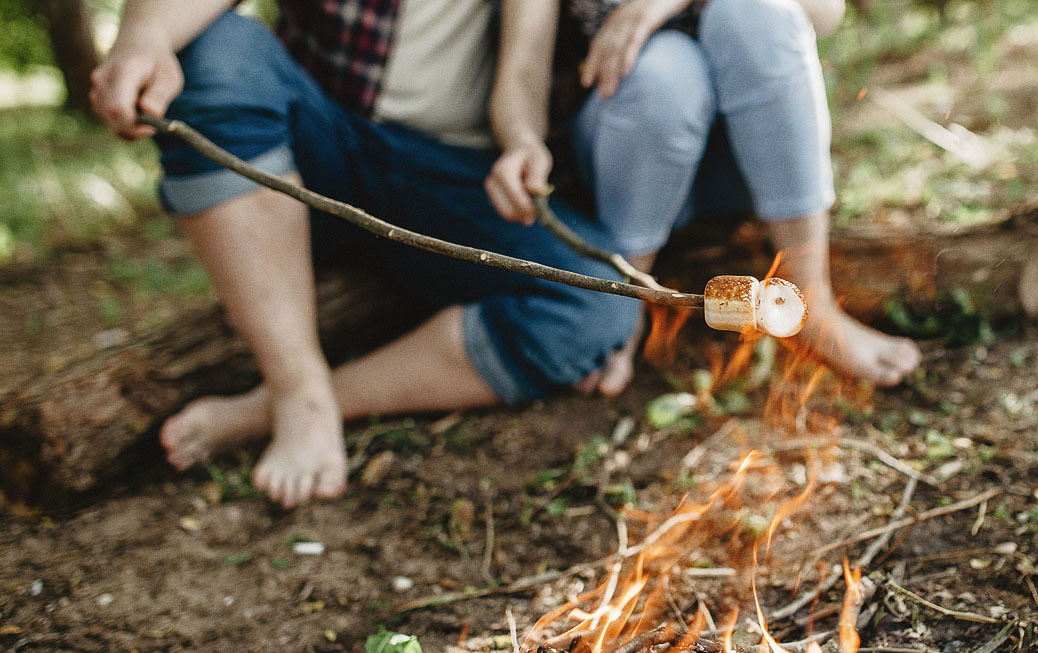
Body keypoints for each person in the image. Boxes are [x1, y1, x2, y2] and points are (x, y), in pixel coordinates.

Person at [90, 0, 640, 508]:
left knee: (599, 300)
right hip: (319, 145)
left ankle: (278, 408)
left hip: (452, 180)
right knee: (215, 47)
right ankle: (295, 388)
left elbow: (522, 71)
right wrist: (145, 35)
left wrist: (522, 141)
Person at [486, 0, 922, 395]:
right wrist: (522, 140)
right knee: (666, 73)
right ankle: (625, 301)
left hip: (756, 155)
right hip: (624, 164)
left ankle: (808, 298)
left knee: (754, 11)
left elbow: (826, 12)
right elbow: (521, 71)